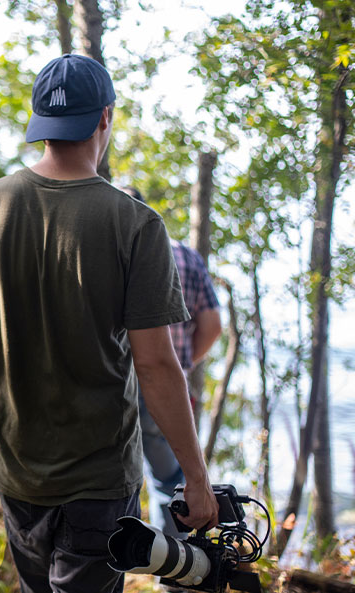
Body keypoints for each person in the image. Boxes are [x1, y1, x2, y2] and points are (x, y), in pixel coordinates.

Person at [0, 54, 219, 593]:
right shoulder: (135, 223)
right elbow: (156, 365)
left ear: (39, 119)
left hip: (15, 467)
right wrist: (195, 480)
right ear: (105, 117)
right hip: (98, 477)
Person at [125, 188, 222, 540]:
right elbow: (212, 326)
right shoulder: (186, 255)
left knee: (114, 474)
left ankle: (123, 551)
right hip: (167, 386)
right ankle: (175, 567)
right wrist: (181, 364)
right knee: (169, 479)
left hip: (113, 383)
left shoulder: (109, 248)